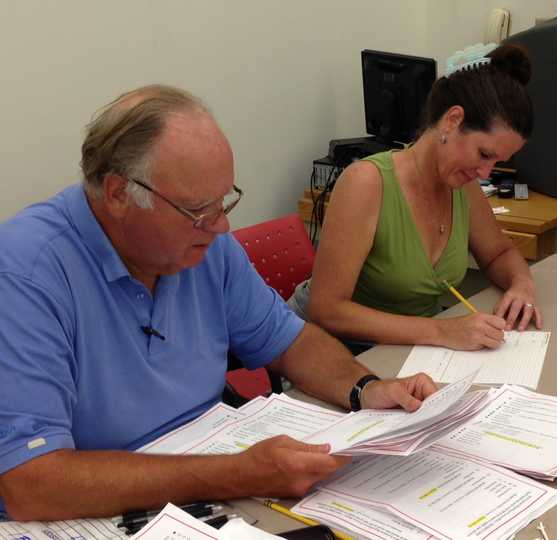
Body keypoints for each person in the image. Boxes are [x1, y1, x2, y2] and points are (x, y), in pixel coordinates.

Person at [0, 85, 436, 521]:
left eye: (225, 200)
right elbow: (30, 483)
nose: (222, 225)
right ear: (117, 194)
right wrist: (237, 474)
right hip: (85, 514)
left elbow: (289, 340)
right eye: (198, 209)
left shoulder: (204, 245)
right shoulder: (26, 275)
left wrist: (366, 388)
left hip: (201, 484)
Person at [296, 45, 542, 352]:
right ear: (452, 120)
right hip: (338, 352)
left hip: (407, 351)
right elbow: (327, 309)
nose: (484, 173)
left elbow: (498, 253)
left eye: (496, 162)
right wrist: (442, 331)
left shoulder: (461, 186)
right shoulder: (367, 183)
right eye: (484, 154)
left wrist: (522, 284)